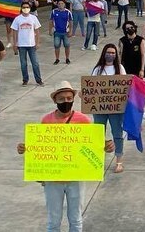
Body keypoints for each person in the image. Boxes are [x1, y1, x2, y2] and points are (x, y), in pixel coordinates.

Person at [16, 81, 105, 232]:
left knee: (76, 219)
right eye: (62, 99)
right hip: (53, 179)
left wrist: (107, 146)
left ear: (73, 99)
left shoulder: (83, 120)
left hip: (76, 178)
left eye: (69, 98)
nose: (66, 102)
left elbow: (94, 146)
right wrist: (25, 149)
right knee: (53, 220)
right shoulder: (46, 120)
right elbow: (40, 148)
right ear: (55, 100)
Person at [91, 44, 129, 173]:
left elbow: (125, 86)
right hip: (99, 108)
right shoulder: (97, 70)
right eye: (109, 52)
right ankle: (97, 161)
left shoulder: (120, 68)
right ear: (104, 53)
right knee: (98, 134)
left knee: (117, 134)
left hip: (116, 109)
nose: (111, 55)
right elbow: (90, 87)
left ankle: (119, 161)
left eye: (113, 53)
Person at [10, 2, 43, 86]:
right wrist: (15, 43)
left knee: (35, 63)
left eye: (27, 7)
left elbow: (37, 31)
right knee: (23, 64)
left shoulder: (33, 18)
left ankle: (38, 80)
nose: (25, 9)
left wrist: (38, 42)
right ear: (21, 8)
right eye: (24, 7)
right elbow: (14, 32)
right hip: (21, 45)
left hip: (31, 44)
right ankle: (25, 79)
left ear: (30, 8)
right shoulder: (17, 19)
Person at [50, 0, 73, 65]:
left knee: (67, 45)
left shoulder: (68, 12)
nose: (60, 5)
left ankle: (67, 58)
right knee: (56, 45)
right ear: (57, 4)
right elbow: (51, 21)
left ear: (64, 4)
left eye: (62, 3)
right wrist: (50, 30)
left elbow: (71, 22)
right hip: (57, 32)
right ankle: (57, 59)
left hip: (65, 32)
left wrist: (71, 31)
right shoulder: (54, 12)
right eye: (59, 3)